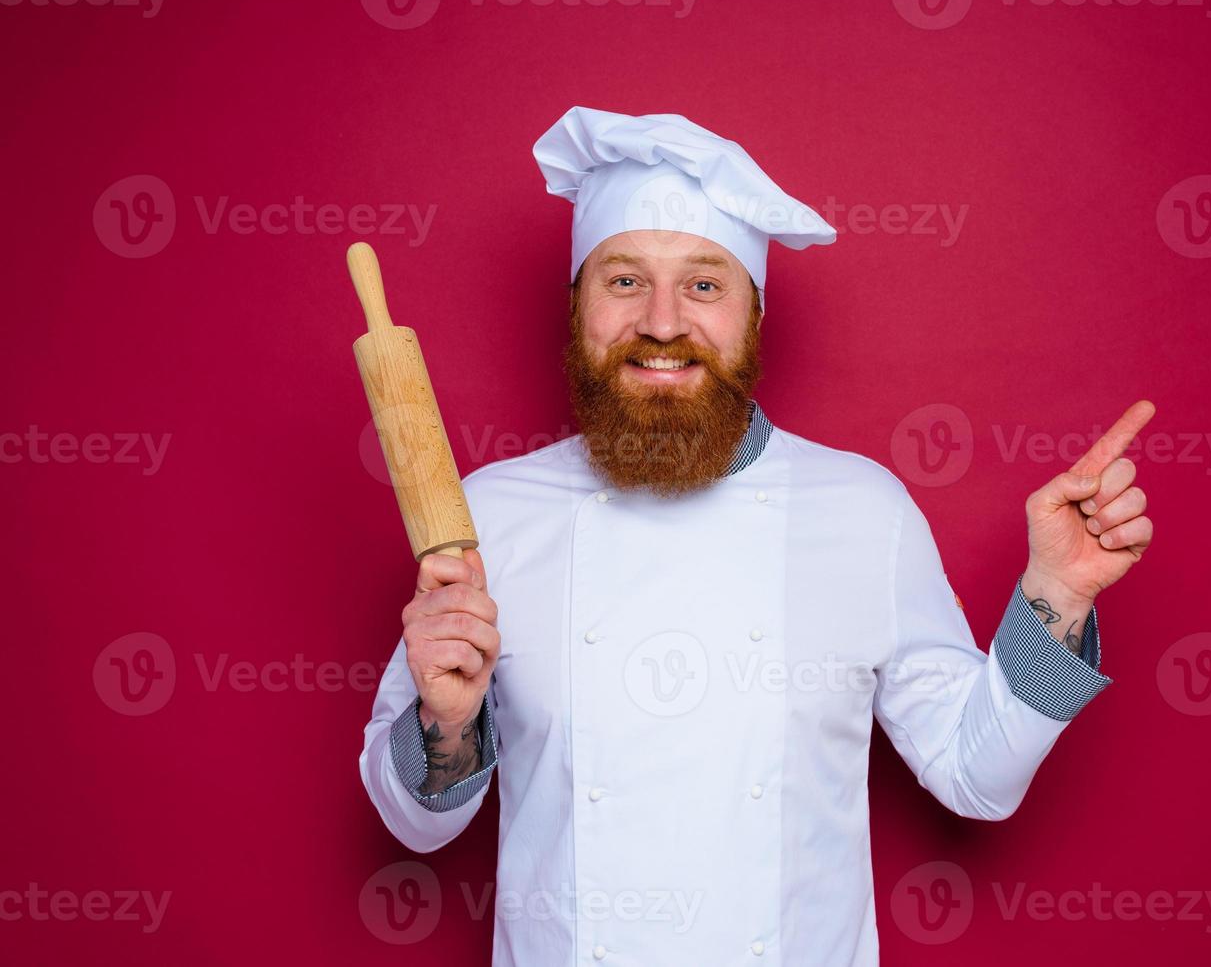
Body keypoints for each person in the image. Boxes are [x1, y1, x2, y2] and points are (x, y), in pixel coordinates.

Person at [359, 106, 1156, 966]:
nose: (662, 322)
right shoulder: (488, 515)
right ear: (577, 304)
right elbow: (417, 826)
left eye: (705, 284)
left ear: (754, 314)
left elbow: (977, 780)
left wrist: (1057, 599)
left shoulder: (861, 509)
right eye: (623, 281)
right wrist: (445, 724)